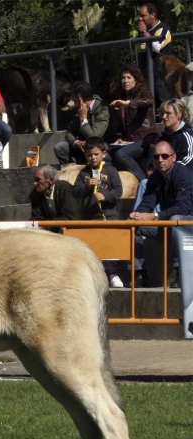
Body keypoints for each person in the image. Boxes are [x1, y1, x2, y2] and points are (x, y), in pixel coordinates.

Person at [129, 140, 193, 288]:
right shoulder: (155, 178)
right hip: (168, 225)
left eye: (165, 156)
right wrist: (136, 215)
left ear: (174, 157)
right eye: (156, 157)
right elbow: (147, 202)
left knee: (176, 220)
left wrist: (154, 216)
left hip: (188, 225)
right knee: (135, 226)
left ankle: (179, 273)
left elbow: (182, 209)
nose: (160, 160)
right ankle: (140, 273)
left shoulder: (184, 175)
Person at [73, 137, 124, 287]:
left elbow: (118, 191)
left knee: (111, 247)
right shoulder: (84, 174)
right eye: (89, 155)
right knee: (92, 249)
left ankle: (113, 274)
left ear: (103, 154)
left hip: (109, 216)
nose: (93, 158)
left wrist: (106, 196)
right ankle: (94, 277)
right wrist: (86, 186)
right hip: (90, 217)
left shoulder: (111, 170)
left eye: (96, 154)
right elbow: (75, 192)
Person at [107, 64, 156, 182]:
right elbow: (120, 125)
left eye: (129, 77)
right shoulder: (121, 97)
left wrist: (128, 103)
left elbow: (150, 101)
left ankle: (144, 181)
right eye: (123, 78)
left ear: (136, 79)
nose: (125, 81)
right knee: (105, 155)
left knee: (121, 155)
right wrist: (119, 137)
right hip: (129, 141)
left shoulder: (143, 91)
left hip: (145, 139)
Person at [54, 81, 110, 165]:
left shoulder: (102, 108)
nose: (72, 99)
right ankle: (74, 171)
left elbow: (94, 137)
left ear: (79, 97)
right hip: (83, 146)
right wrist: (77, 142)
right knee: (60, 148)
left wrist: (83, 119)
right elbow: (69, 133)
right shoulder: (78, 108)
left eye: (72, 96)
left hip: (100, 145)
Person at [136, 3, 172, 108]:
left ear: (152, 14)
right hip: (145, 75)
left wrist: (144, 32)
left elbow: (157, 47)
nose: (140, 19)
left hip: (159, 74)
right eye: (139, 15)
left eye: (143, 15)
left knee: (165, 101)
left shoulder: (163, 28)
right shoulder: (143, 32)